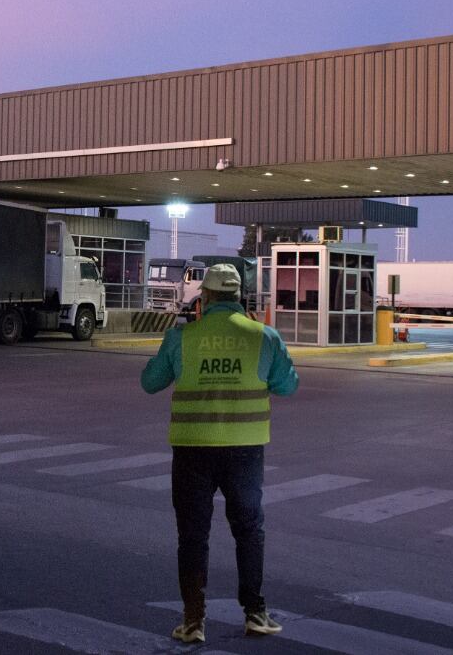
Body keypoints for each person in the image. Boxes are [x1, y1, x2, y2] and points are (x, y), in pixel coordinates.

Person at [141, 263, 298, 643]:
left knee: (193, 536)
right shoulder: (265, 337)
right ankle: (256, 613)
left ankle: (194, 622)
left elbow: (150, 383)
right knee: (249, 531)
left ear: (205, 298)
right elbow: (287, 385)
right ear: (239, 297)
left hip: (193, 450)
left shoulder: (183, 337)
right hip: (244, 451)